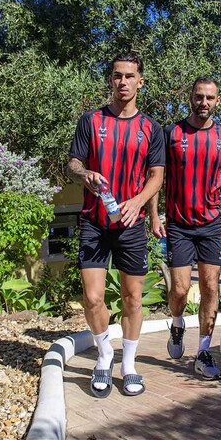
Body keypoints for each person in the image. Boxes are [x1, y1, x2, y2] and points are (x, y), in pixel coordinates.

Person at [67, 51, 165, 397]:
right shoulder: (91, 121)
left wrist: (139, 202)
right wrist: (85, 173)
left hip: (131, 224)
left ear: (140, 81)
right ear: (110, 80)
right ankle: (104, 355)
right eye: (116, 75)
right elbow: (73, 163)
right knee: (93, 298)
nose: (122, 82)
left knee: (133, 298)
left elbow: (156, 176)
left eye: (129, 76)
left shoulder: (151, 128)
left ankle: (129, 365)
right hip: (94, 222)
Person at [148, 76, 221, 380]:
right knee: (180, 289)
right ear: (190, 97)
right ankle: (177, 323)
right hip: (179, 225)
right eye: (199, 97)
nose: (204, 103)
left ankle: (203, 352)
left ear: (218, 101)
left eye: (210, 98)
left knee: (211, 287)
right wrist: (154, 215)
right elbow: (156, 177)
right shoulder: (171, 133)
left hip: (211, 224)